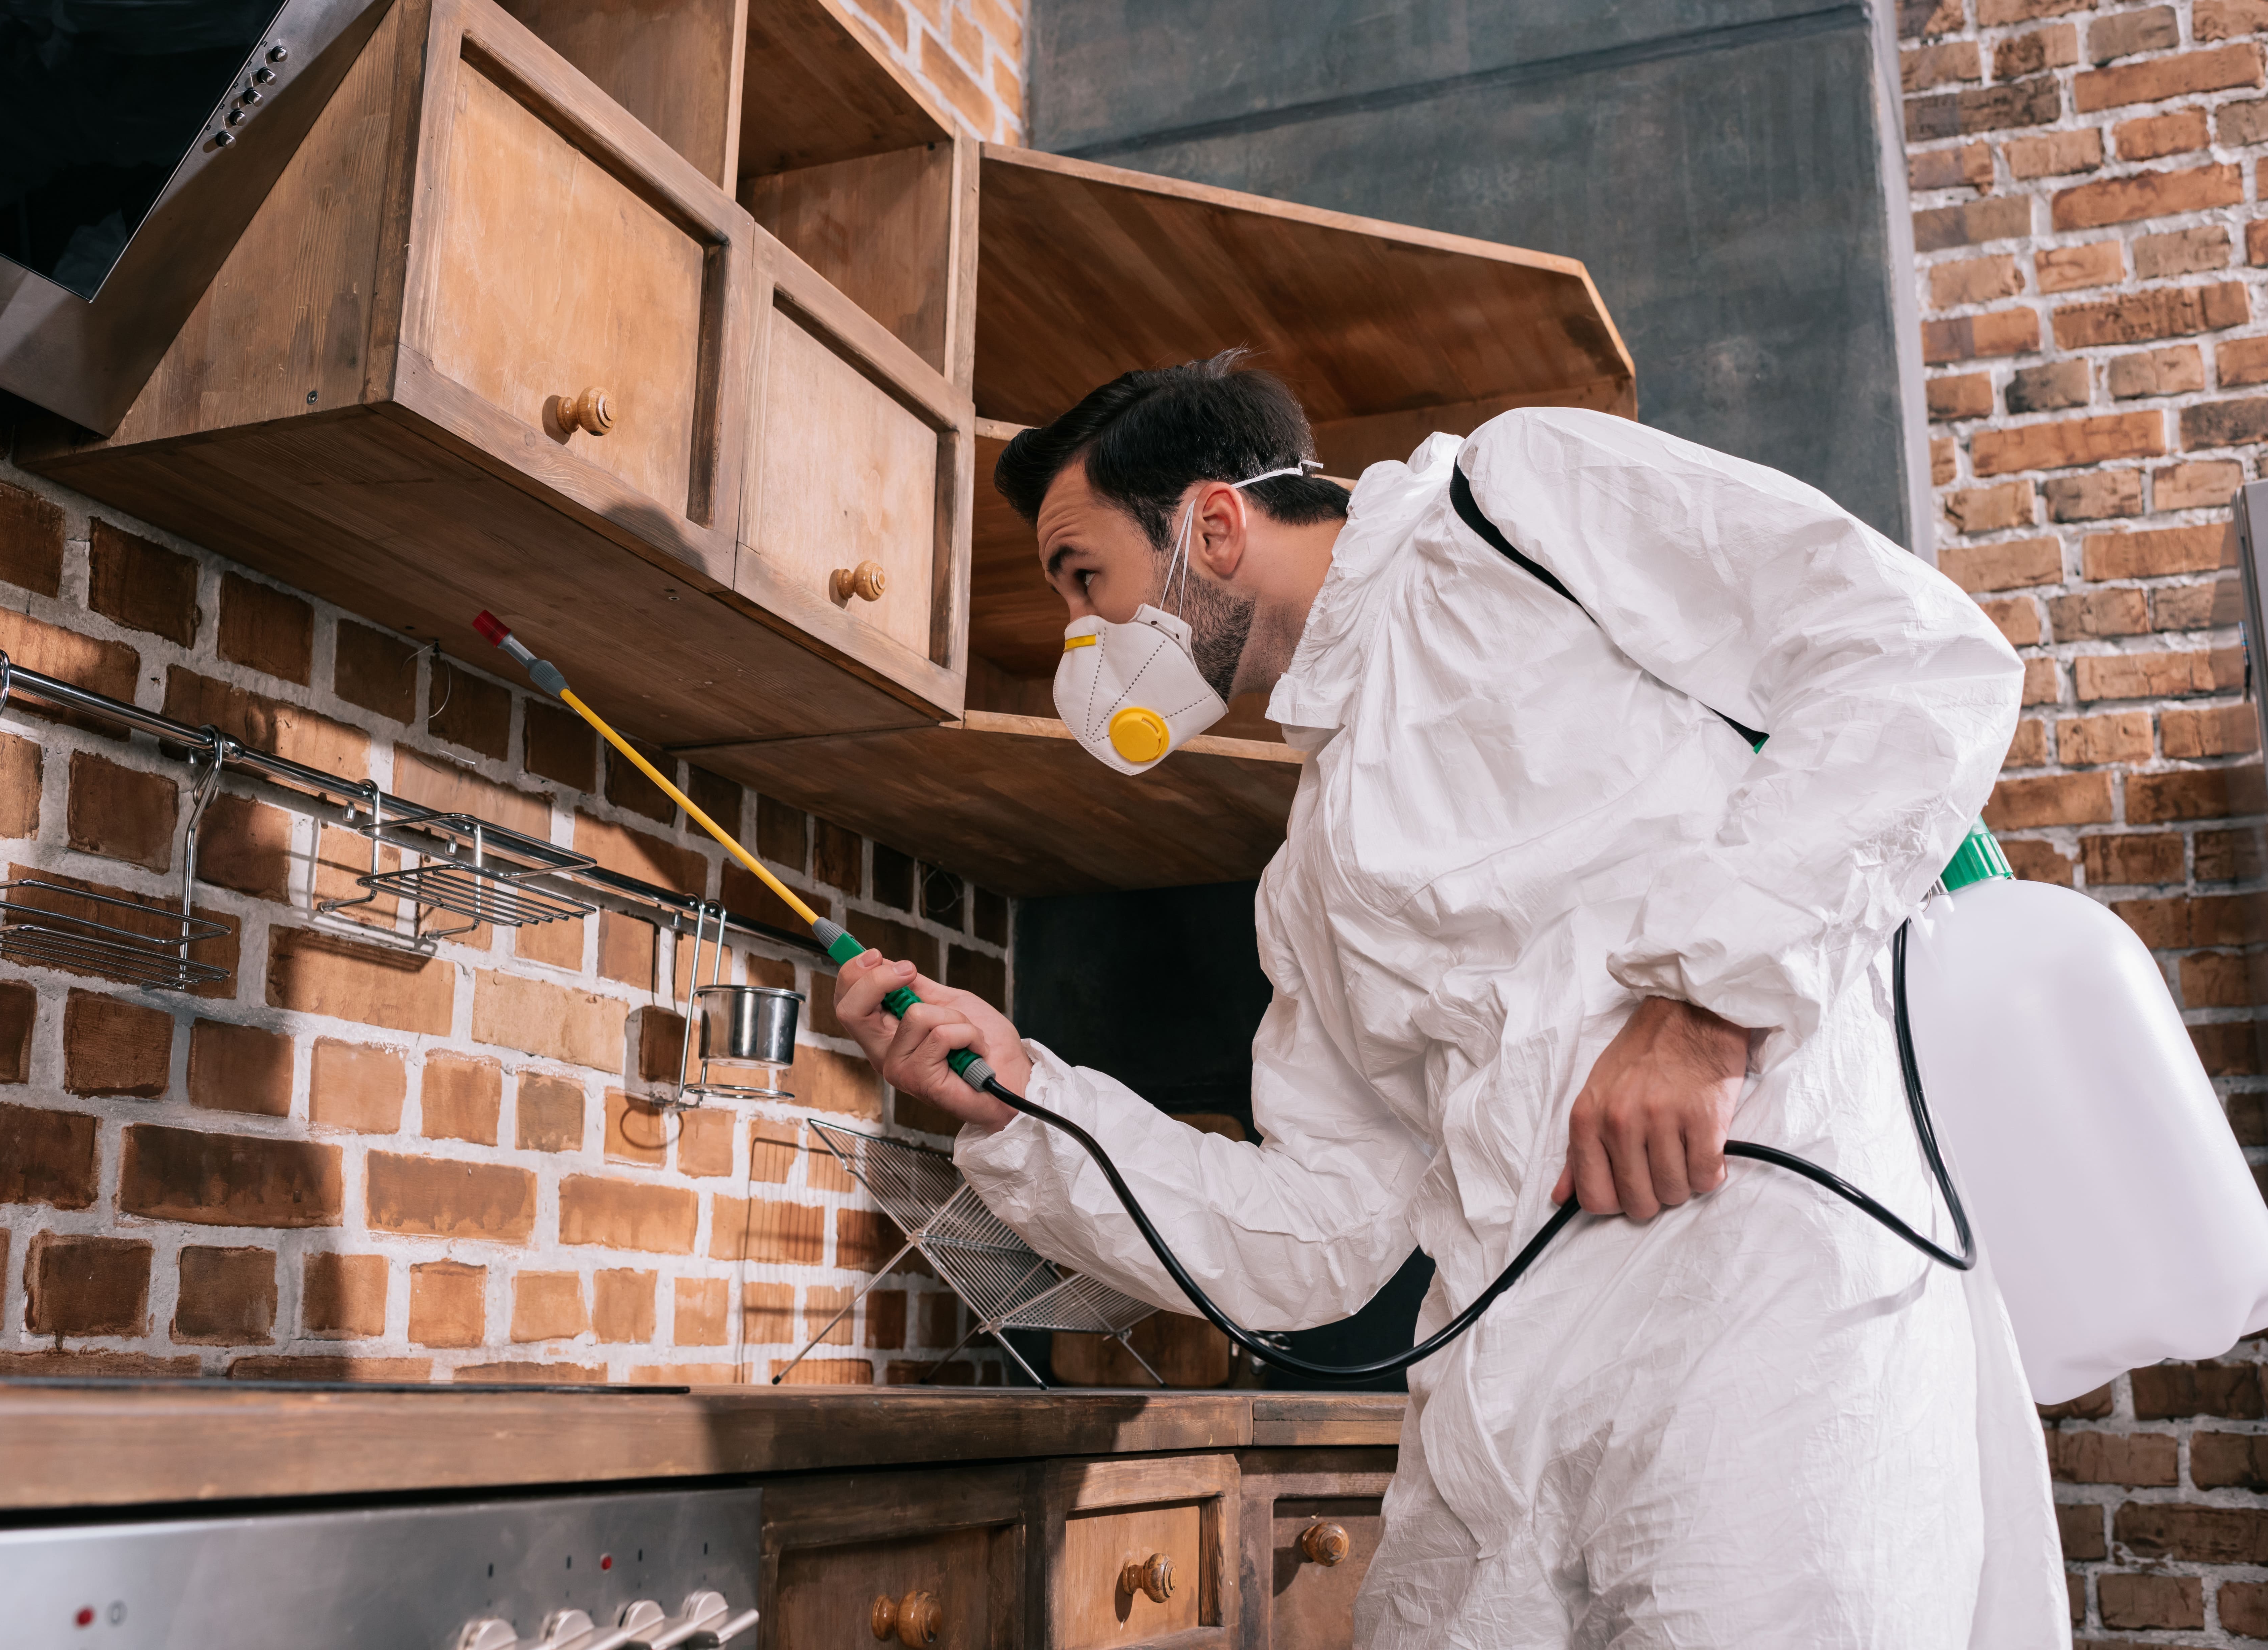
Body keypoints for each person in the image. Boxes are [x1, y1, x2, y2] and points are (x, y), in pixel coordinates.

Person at [831, 352, 2065, 1647]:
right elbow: (1321, 1232)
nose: (1083, 642)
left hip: (1766, 1306)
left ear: (1210, 525)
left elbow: (1912, 663)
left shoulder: (1514, 501)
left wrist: (1707, 1011)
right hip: (1502, 1394)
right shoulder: (1307, 877)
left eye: (1087, 581)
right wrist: (1029, 1101)